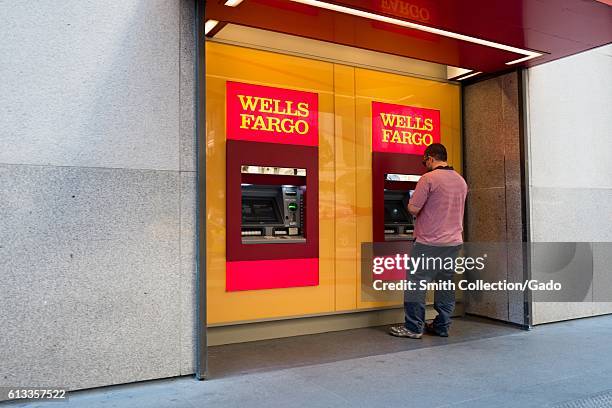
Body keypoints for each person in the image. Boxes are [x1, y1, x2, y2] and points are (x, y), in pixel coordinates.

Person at [389, 143, 468, 339]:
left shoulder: (428, 178)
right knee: (445, 283)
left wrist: (410, 204)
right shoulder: (460, 180)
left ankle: (414, 327)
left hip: (429, 242)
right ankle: (442, 326)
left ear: (430, 158)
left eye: (425, 160)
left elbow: (414, 208)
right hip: (453, 242)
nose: (425, 164)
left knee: (416, 283)